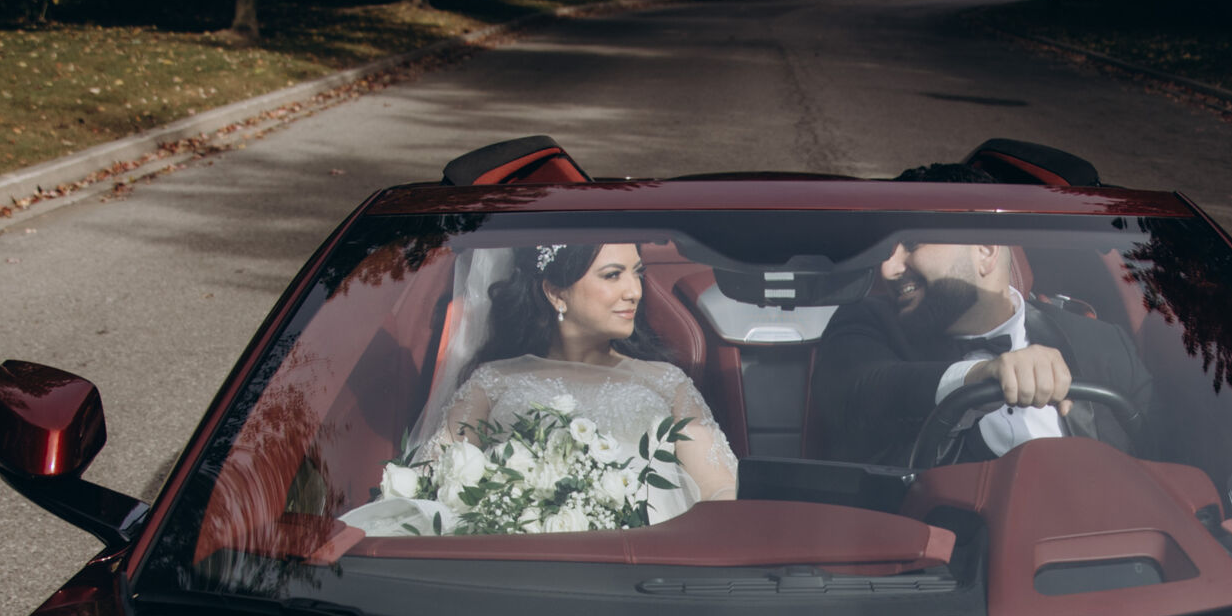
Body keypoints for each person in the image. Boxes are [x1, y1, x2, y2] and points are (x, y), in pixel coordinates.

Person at [424, 238, 737, 509]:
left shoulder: (667, 382)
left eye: (637, 273)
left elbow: (721, 489)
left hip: (649, 554)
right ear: (556, 293)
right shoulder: (492, 381)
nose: (635, 291)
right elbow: (434, 481)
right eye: (613, 275)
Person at [813, 232, 1148, 469]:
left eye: (912, 244)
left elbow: (1160, 465)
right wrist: (979, 376)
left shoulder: (1101, 343)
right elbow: (860, 390)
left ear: (985, 251)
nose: (888, 269)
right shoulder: (865, 324)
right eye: (886, 251)